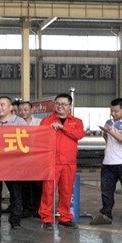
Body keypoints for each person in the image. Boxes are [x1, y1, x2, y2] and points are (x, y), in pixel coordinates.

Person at [39, 94, 86, 230]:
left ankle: (65, 218)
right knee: (48, 191)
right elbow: (40, 139)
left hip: (68, 163)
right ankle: (47, 219)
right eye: (58, 104)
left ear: (70, 106)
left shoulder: (77, 122)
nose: (60, 106)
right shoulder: (47, 121)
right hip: (51, 163)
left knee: (66, 191)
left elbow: (79, 135)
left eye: (64, 104)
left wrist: (62, 127)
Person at [92, 98, 122, 228]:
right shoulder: (109, 123)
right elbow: (108, 140)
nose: (113, 114)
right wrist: (107, 134)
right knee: (106, 191)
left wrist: (111, 132)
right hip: (108, 162)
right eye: (111, 111)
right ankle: (105, 215)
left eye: (116, 111)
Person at [0, 96, 26, 229]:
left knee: (15, 192)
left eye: (2, 105)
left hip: (13, 164)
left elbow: (27, 142)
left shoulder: (20, 122)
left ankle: (15, 220)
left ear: (10, 107)